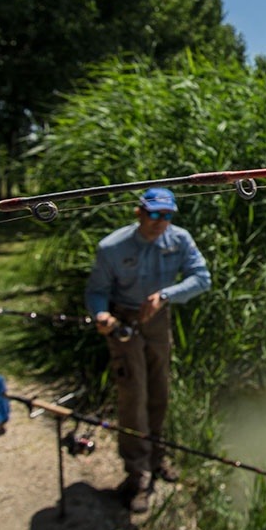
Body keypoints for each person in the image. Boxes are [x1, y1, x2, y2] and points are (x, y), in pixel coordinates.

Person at [85, 187, 211, 512]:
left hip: (157, 320)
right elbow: (97, 292)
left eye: (167, 216)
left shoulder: (179, 239)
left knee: (160, 392)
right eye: (154, 214)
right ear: (139, 212)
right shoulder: (111, 247)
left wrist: (165, 295)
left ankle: (158, 457)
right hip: (123, 321)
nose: (160, 222)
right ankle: (136, 474)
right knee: (133, 396)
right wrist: (101, 315)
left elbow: (202, 279)